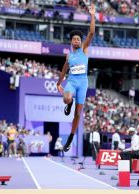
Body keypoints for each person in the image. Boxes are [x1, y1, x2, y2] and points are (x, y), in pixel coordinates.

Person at [56, 4, 95, 152]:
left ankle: (70, 139)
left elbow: (91, 32)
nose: (77, 41)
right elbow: (65, 69)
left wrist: (92, 15)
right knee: (66, 98)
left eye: (79, 39)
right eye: (74, 39)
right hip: (72, 81)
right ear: (71, 42)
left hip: (83, 83)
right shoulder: (69, 55)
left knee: (78, 114)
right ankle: (69, 103)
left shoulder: (84, 49)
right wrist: (59, 83)